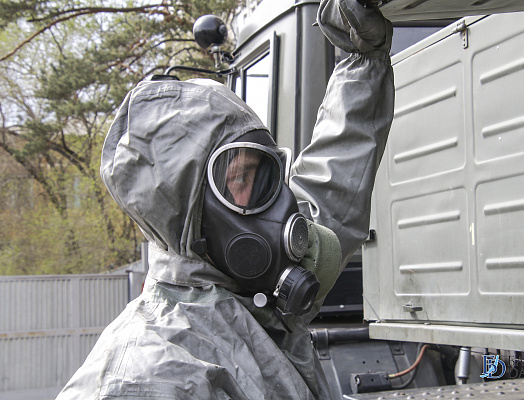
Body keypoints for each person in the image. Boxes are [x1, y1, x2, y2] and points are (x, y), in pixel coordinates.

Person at [56, 0, 394, 398]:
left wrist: (361, 59)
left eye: (266, 173)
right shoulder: (147, 379)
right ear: (186, 211)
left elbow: (332, 186)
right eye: (241, 177)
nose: (282, 206)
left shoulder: (250, 295)